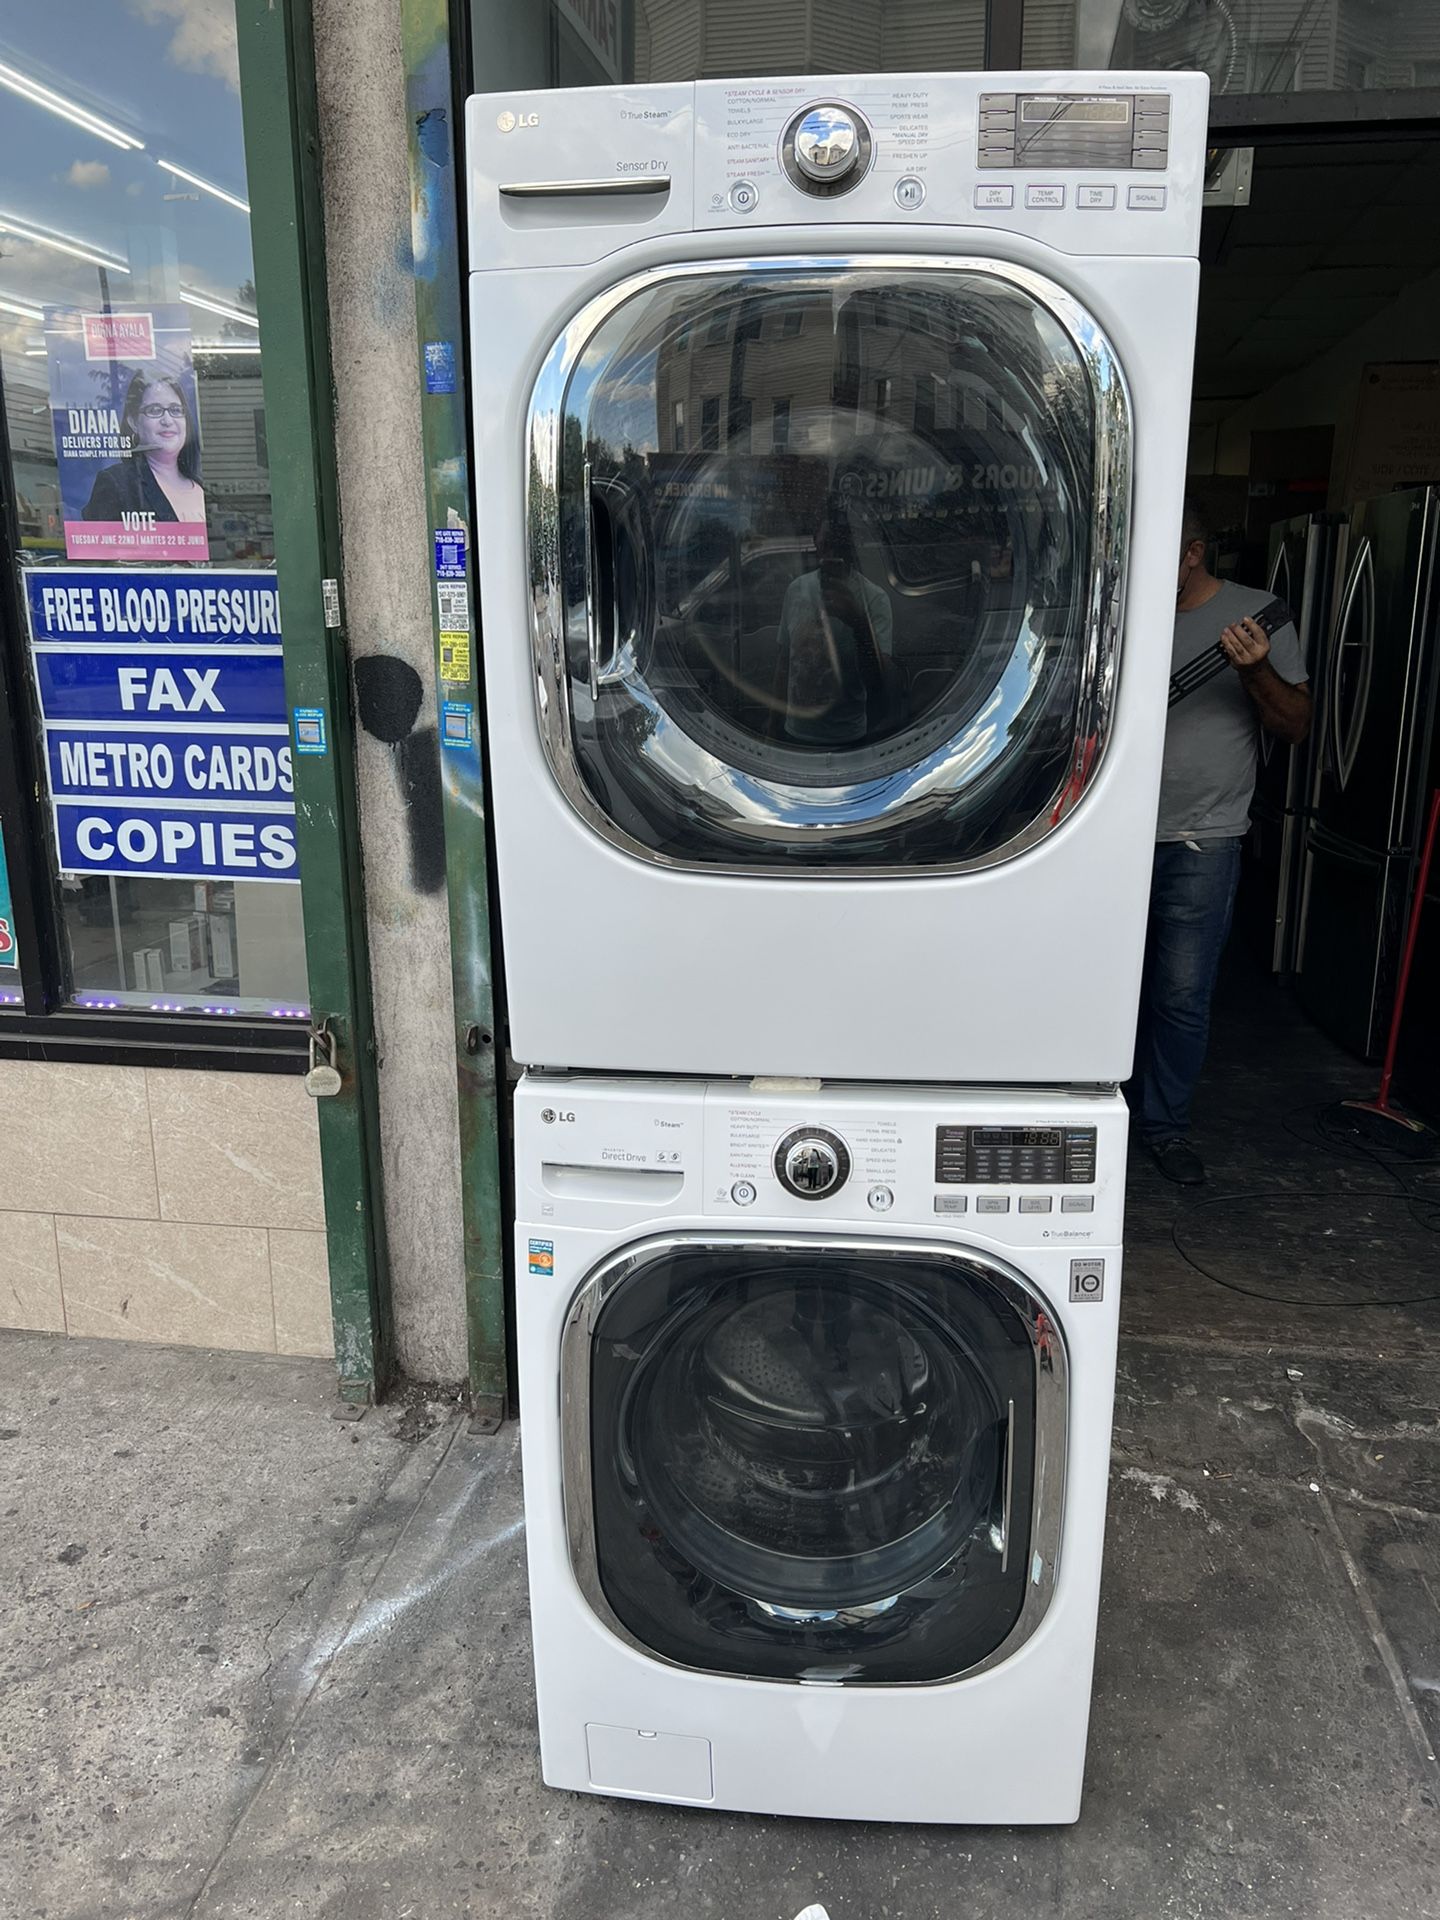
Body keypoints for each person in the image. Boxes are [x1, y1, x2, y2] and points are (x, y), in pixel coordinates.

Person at [1132, 500, 1312, 1184]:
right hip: (1104, 840)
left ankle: (1164, 1128)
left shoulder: (1258, 615)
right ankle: (1097, 1117)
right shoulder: (1122, 609)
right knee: (1100, 986)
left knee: (1180, 996)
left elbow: (1296, 725)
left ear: (1193, 554)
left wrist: (1254, 669)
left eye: (1159, 555)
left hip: (1202, 838)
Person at [774, 506, 894, 746]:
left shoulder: (874, 599)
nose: (831, 550)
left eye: (839, 543)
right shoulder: (796, 590)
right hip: (795, 732)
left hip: (849, 736)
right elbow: (784, 662)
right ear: (815, 541)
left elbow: (881, 682)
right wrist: (772, 726)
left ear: (851, 547)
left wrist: (859, 623)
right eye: (826, 542)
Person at [82, 370, 206, 525]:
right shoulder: (116, 484)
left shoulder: (201, 486)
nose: (167, 420)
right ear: (134, 422)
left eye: (175, 410)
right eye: (155, 410)